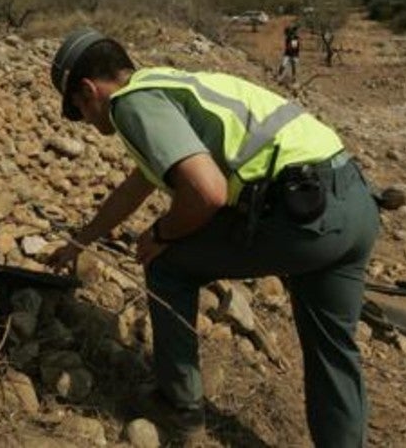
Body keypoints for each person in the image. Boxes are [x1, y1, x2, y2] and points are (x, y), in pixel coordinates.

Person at [46, 27, 380, 447]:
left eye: (78, 112)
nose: (87, 123)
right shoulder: (168, 84)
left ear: (87, 90)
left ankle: (179, 407)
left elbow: (207, 192)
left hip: (303, 214)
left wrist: (161, 233)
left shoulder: (130, 105)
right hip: (351, 203)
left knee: (167, 264)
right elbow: (137, 186)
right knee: (332, 350)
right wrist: (81, 240)